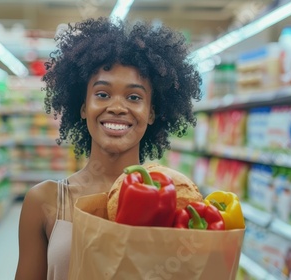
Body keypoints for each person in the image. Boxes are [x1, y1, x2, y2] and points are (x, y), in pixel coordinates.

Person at [15, 17, 202, 280]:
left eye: (134, 97)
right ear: (83, 107)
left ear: (151, 112)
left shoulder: (178, 204)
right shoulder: (43, 201)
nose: (116, 107)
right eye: (102, 94)